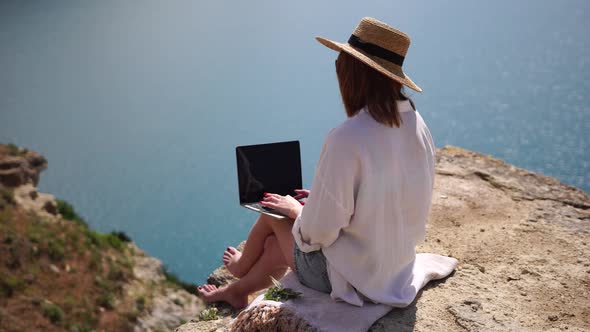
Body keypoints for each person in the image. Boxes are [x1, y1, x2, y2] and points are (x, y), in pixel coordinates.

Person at [197, 17, 435, 309]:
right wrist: (322, 201)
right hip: (395, 266)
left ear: (352, 73)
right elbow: (389, 193)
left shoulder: (348, 137)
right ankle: (238, 290)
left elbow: (316, 235)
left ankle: (239, 268)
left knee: (273, 212)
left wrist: (298, 211)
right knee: (275, 243)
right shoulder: (415, 122)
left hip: (355, 279)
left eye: (341, 63)